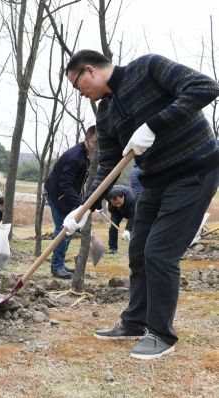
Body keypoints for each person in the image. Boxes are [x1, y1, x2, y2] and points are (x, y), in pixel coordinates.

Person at [64, 50, 219, 360]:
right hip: (153, 181)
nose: (81, 95)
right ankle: (135, 322)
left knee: (160, 252)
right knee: (138, 251)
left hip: (195, 170)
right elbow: (108, 164)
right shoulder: (105, 113)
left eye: (78, 87)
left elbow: (205, 87)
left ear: (90, 71)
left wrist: (153, 125)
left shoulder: (148, 68)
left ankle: (162, 334)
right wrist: (82, 209)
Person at [43, 126, 97, 279]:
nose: (96, 146)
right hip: (57, 196)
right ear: (87, 139)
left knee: (68, 231)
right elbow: (64, 185)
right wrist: (81, 204)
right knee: (63, 230)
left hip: (65, 197)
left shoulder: (86, 155)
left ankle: (60, 264)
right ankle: (56, 267)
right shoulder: (75, 157)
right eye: (94, 142)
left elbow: (77, 183)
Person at [104, 185, 136, 254]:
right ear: (110, 200)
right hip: (115, 211)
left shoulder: (131, 198)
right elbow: (98, 198)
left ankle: (134, 249)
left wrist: (128, 230)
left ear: (123, 197)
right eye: (115, 203)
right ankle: (113, 248)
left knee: (133, 229)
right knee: (113, 227)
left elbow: (132, 216)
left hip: (129, 209)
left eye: (119, 202)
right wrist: (98, 207)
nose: (118, 205)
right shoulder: (106, 194)